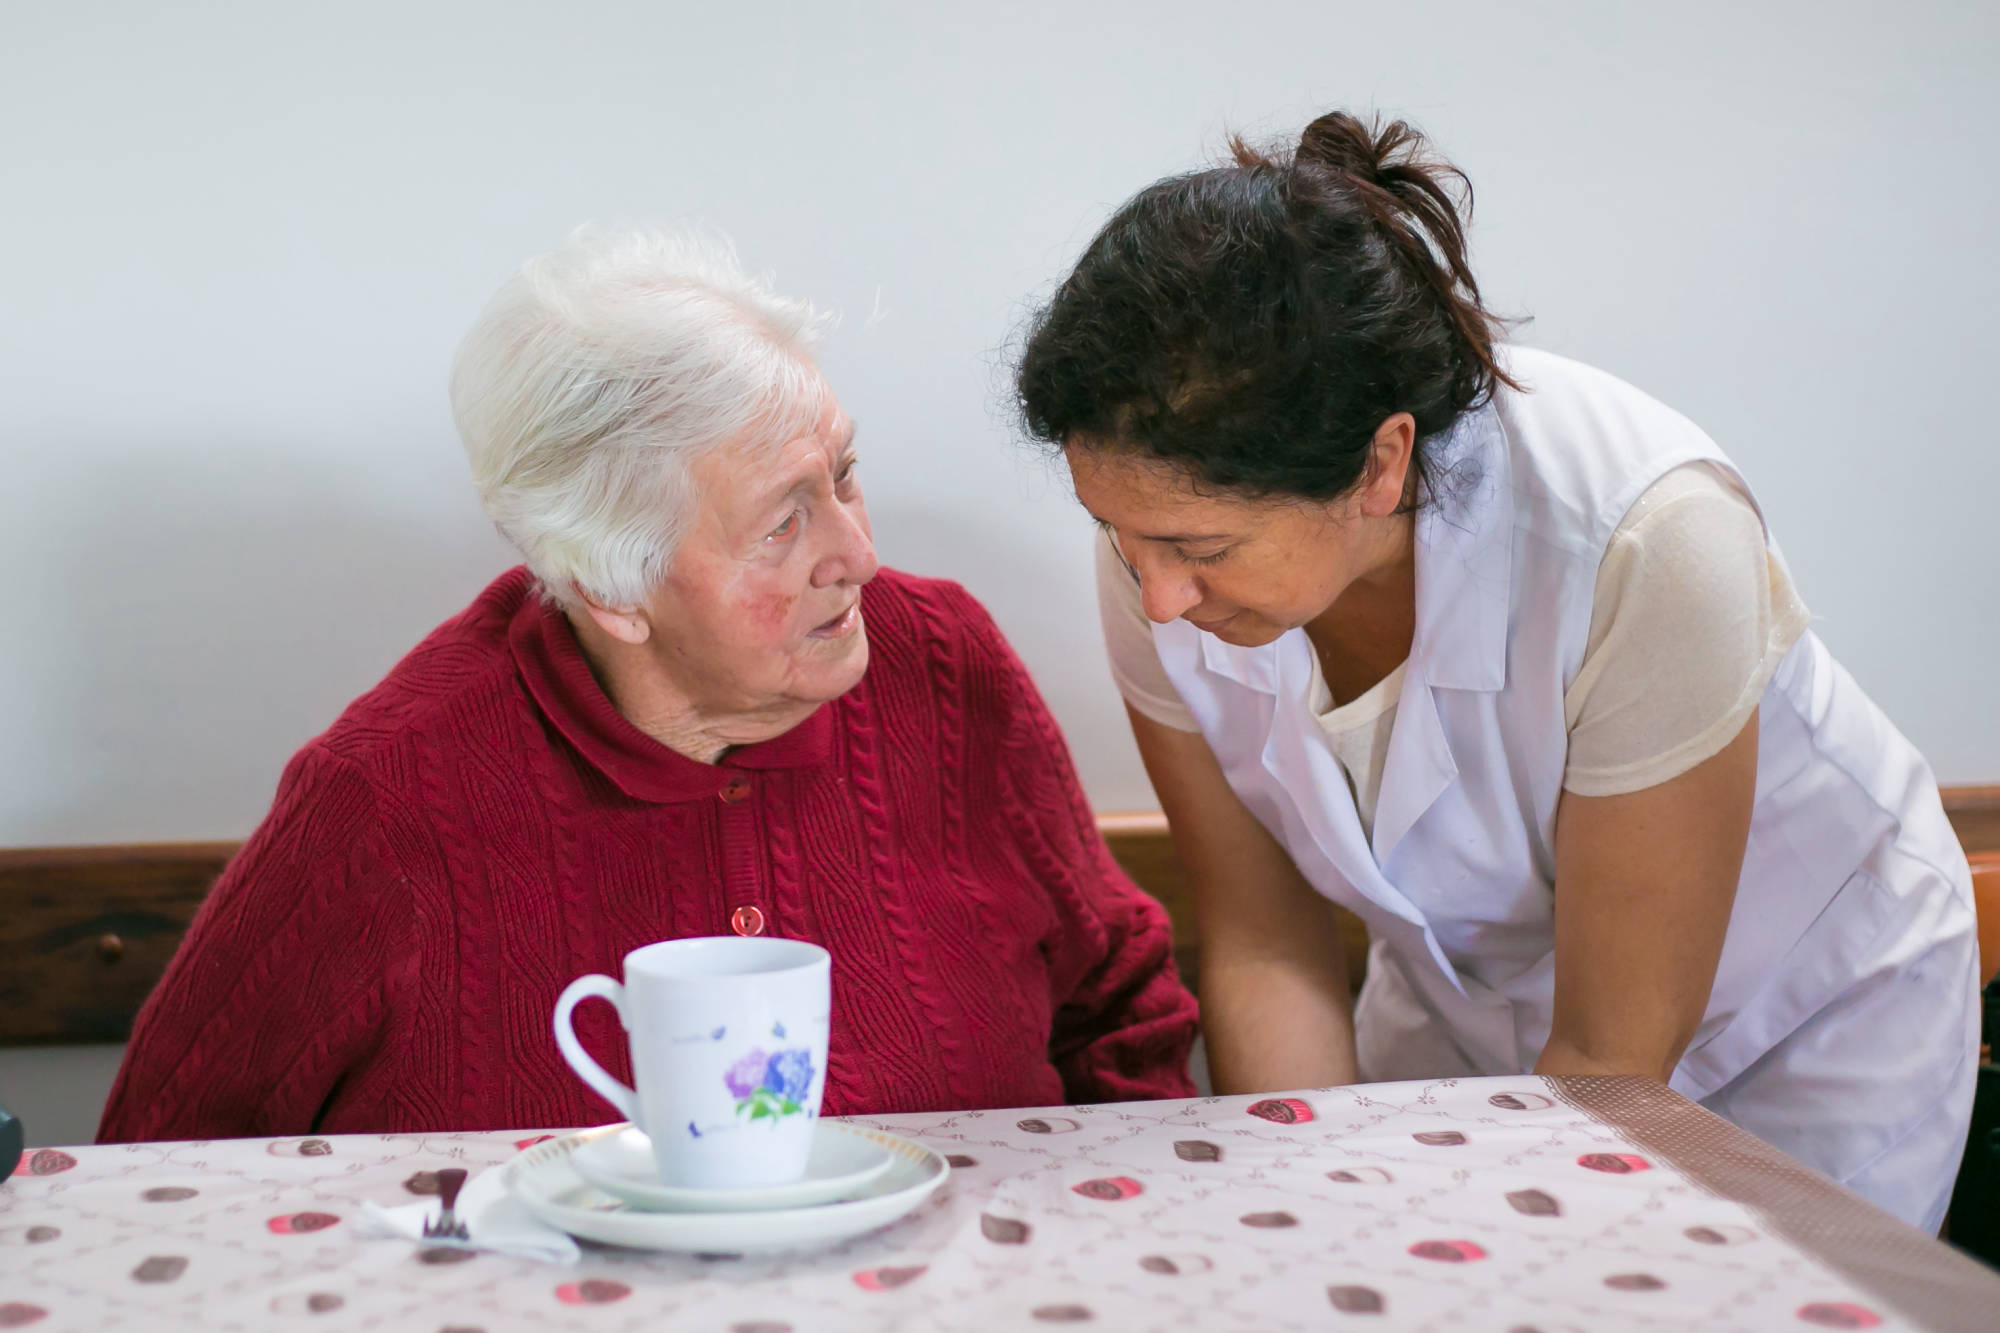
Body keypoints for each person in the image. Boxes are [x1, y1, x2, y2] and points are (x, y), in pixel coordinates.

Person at [1013, 111, 1978, 1230]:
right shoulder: (1155, 537)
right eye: (1117, 534)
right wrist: (1309, 1213)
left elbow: (1608, 1059)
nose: (1156, 597)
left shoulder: (1644, 541)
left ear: (1380, 463)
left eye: (1201, 552)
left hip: (1794, 1015)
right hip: (1463, 1012)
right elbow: (1263, 937)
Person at [99, 228, 1197, 1143]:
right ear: (609, 588)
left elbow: (1119, 1010)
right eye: (782, 521)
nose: (857, 553)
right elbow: (155, 1181)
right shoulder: (384, 802)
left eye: (845, 477)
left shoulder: (940, 665)